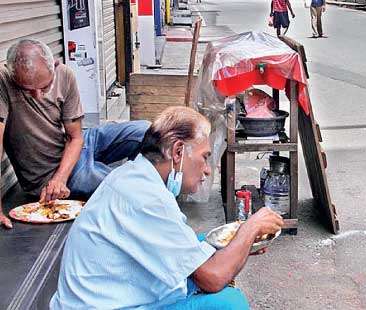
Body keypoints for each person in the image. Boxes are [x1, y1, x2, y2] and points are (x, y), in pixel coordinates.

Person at [50, 106, 285, 309]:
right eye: (205, 157)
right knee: (229, 304)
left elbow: (185, 246)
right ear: (178, 151)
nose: (207, 170)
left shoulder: (134, 176)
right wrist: (249, 230)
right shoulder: (146, 197)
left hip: (107, 293)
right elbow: (213, 278)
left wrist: (237, 245)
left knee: (203, 245)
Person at [0, 39, 150, 229]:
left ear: (53, 65)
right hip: (48, 174)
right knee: (126, 189)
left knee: (146, 130)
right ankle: (140, 191)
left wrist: (60, 179)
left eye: (45, 88)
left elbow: (75, 137)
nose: (38, 96)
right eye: (28, 91)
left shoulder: (64, 74)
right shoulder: (3, 82)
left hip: (77, 147)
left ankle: (139, 179)